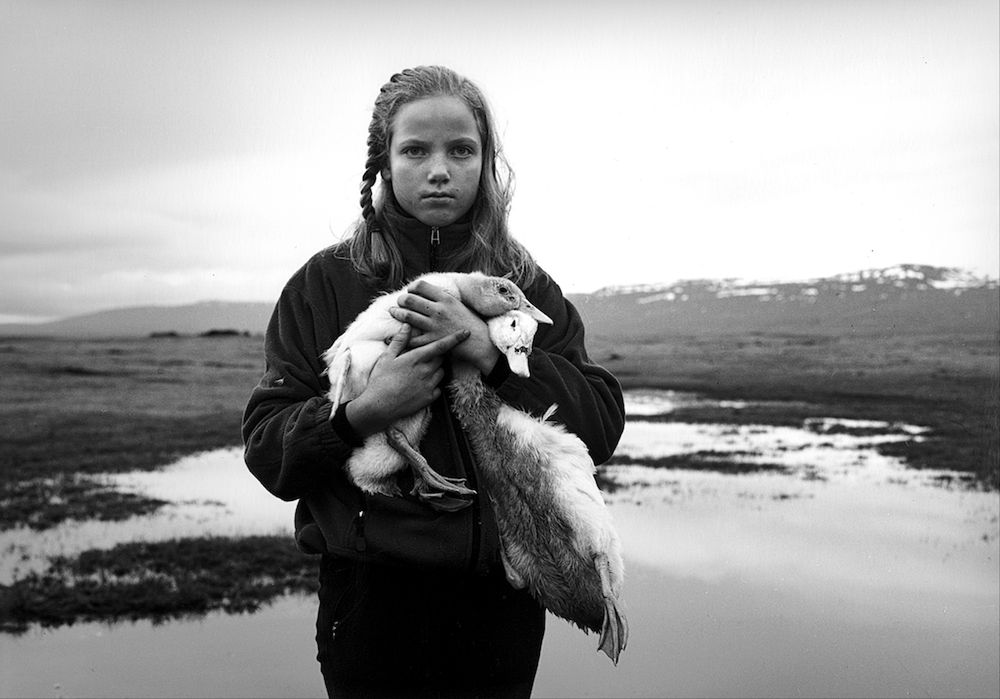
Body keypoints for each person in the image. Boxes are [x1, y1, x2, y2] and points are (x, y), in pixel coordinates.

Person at [242, 65, 625, 698]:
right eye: (415, 150)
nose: (439, 169)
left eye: (461, 150)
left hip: (501, 600)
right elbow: (266, 449)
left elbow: (600, 426)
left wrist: (491, 354)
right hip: (371, 602)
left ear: (487, 162)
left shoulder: (523, 286)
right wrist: (362, 412)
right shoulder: (325, 285)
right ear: (384, 164)